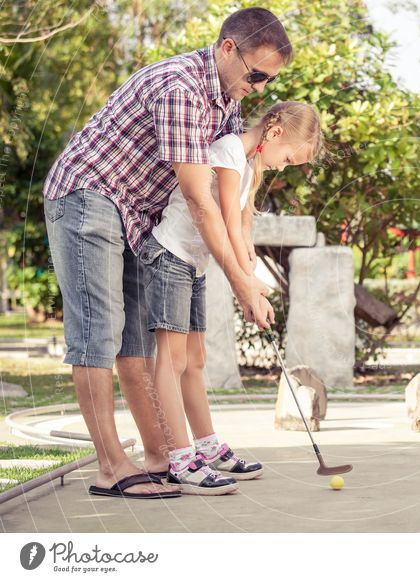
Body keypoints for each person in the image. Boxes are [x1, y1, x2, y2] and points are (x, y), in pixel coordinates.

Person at [43, 8, 289, 499]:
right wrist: (242, 284)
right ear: (227, 49)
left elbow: (228, 199)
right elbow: (199, 200)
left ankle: (159, 456)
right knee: (98, 333)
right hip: (89, 196)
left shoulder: (226, 101)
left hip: (137, 216)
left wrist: (244, 267)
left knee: (135, 341)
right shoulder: (180, 87)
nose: (259, 88)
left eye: (269, 80)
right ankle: (112, 467)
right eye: (256, 74)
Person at [143, 102, 323, 494]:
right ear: (274, 133)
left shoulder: (248, 165)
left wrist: (252, 285)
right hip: (169, 254)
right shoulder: (227, 151)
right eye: (288, 158)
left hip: (195, 263)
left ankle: (206, 447)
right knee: (172, 360)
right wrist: (246, 286)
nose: (283, 166)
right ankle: (180, 459)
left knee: (195, 359)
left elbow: (240, 231)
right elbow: (222, 219)